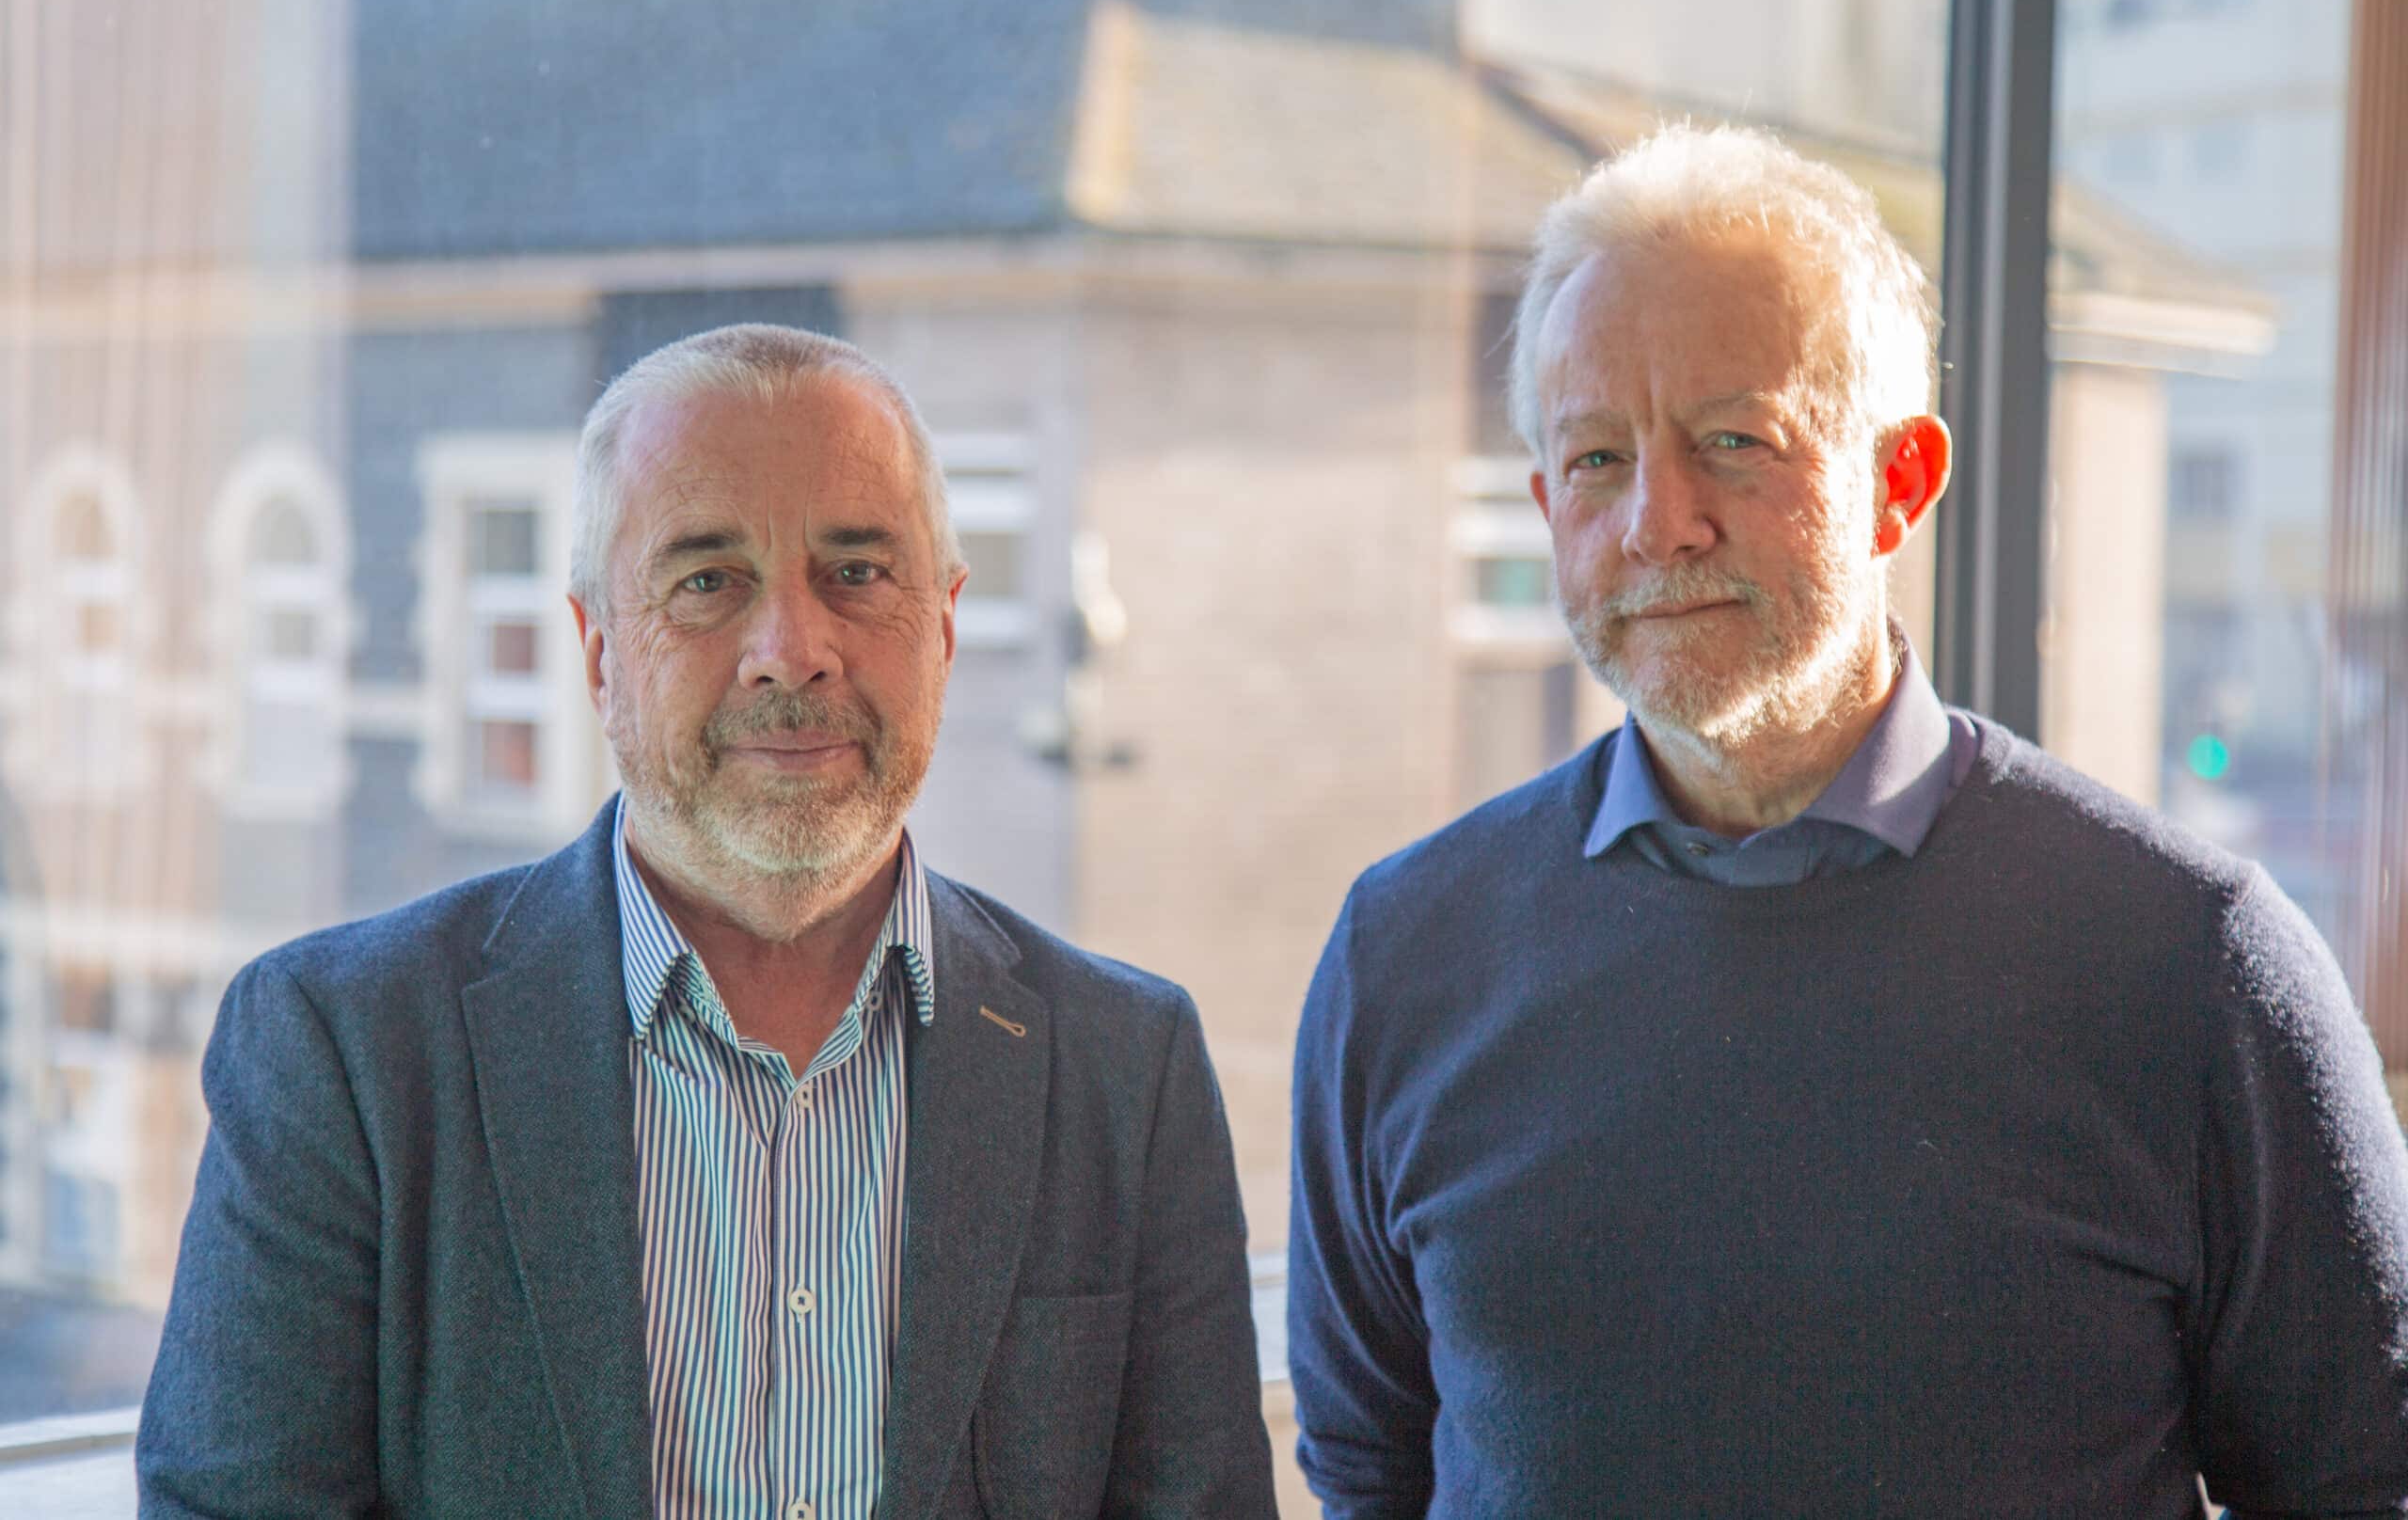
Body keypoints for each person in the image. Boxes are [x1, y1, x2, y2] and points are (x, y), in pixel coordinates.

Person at [1286, 126, 2408, 1517]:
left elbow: (2362, 1482)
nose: (1658, 521)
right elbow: (1368, 1471)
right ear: (1543, 505)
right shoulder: (1404, 954)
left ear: (1902, 479)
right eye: (1594, 459)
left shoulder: (2192, 962)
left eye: (1731, 441)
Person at [140, 325, 1275, 1520]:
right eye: (706, 579)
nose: (793, 650)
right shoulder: (344, 1056)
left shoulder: (1124, 1069)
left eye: (856, 571)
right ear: (596, 651)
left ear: (942, 628)